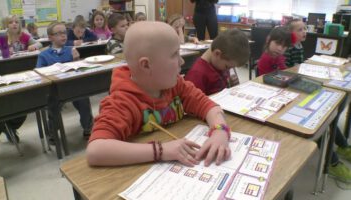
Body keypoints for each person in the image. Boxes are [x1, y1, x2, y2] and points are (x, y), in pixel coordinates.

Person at [87, 21, 231, 167]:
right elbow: (95, 151)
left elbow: (208, 106)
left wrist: (220, 131)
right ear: (146, 65)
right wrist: (161, 150)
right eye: (175, 55)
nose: (181, 61)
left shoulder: (176, 85)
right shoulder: (121, 102)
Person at [284, 20, 351, 183]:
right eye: (300, 30)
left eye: (305, 29)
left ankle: (343, 146)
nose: (304, 32)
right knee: (317, 122)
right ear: (291, 33)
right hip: (288, 92)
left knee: (328, 115)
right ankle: (333, 163)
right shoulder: (287, 48)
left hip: (297, 85)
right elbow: (285, 70)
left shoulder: (299, 46)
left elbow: (297, 67)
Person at [37, 21, 93, 139]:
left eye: (64, 32)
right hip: (55, 90)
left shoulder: (70, 49)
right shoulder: (44, 55)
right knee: (53, 105)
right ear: (50, 37)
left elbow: (79, 70)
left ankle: (88, 127)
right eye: (59, 33)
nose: (63, 35)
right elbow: (39, 74)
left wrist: (77, 60)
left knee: (83, 99)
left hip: (72, 86)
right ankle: (53, 132)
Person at [185, 29, 249, 95]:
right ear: (217, 53)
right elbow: (193, 103)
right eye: (227, 67)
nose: (228, 70)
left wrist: (230, 84)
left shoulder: (219, 63)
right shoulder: (197, 74)